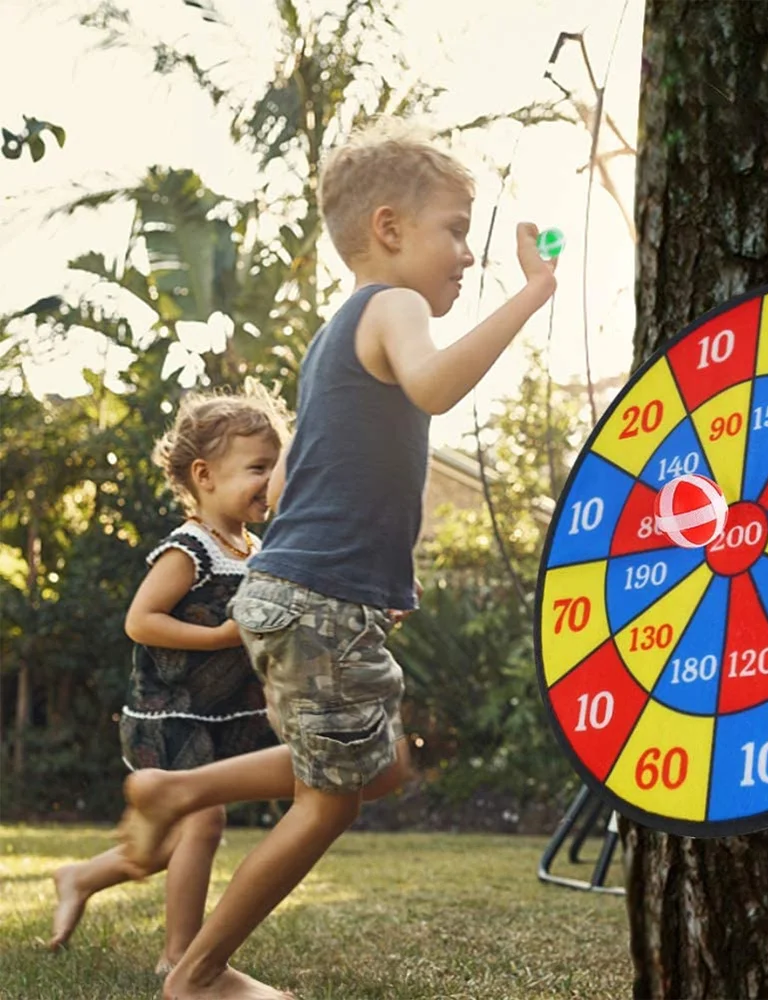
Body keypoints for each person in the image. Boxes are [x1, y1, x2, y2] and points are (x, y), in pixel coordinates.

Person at [116, 118, 558, 1000]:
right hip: (315, 597)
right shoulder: (393, 307)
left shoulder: (336, 335)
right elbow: (435, 387)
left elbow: (303, 480)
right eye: (455, 230)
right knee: (332, 799)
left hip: (305, 590)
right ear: (389, 229)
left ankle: (177, 791)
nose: (467, 253)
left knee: (379, 765)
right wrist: (534, 292)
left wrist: (374, 569)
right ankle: (197, 976)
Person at [49, 385, 287, 978]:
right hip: (171, 713)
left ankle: (80, 877)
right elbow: (141, 621)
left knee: (168, 842)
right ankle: (179, 955)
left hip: (225, 715)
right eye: (258, 467)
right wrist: (219, 637)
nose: (272, 480)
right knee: (203, 821)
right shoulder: (189, 549)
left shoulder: (254, 549)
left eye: (277, 467)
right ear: (204, 475)